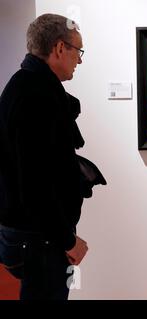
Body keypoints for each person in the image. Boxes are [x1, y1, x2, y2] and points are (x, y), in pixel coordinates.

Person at [0, 13, 91, 300]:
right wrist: (67, 240)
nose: (80, 60)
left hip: (34, 235)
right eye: (78, 51)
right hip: (39, 239)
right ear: (60, 48)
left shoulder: (28, 86)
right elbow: (36, 184)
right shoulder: (35, 95)